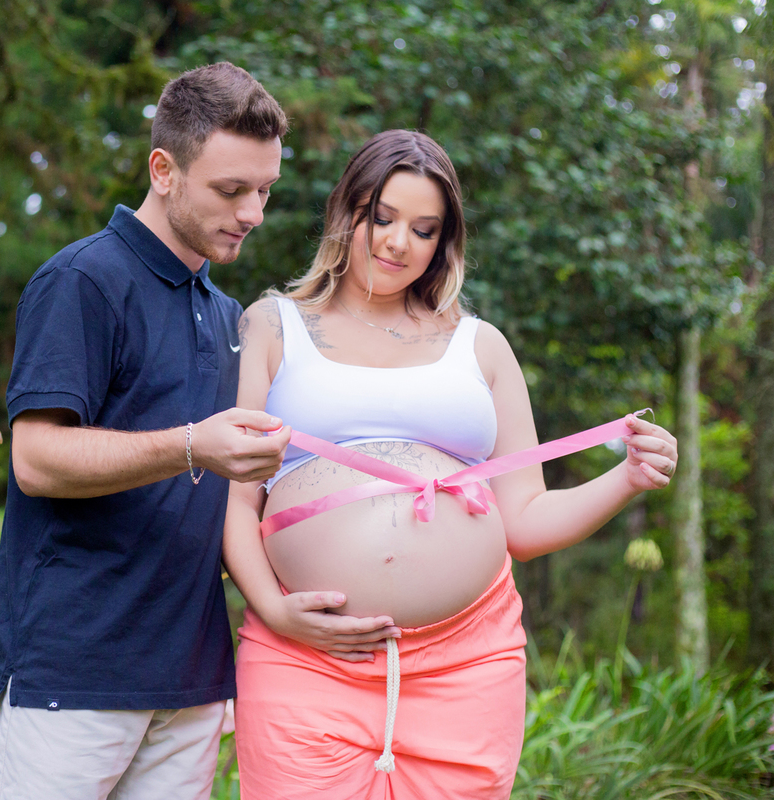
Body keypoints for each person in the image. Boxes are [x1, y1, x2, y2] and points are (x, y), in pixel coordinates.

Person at [222, 129, 679, 799]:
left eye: (424, 228)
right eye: (380, 217)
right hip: (307, 656)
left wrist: (628, 478)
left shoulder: (482, 347)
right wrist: (273, 609)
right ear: (344, 210)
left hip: (467, 662)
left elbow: (523, 519)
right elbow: (236, 504)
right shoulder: (271, 326)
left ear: (445, 242)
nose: (397, 242)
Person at [0, 62, 393, 800]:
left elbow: (234, 506)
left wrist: (282, 597)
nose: (253, 211)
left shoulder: (228, 313)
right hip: (70, 680)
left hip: (192, 683)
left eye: (264, 190)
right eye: (231, 190)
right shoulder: (82, 281)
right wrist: (192, 444)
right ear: (163, 170)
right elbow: (36, 458)